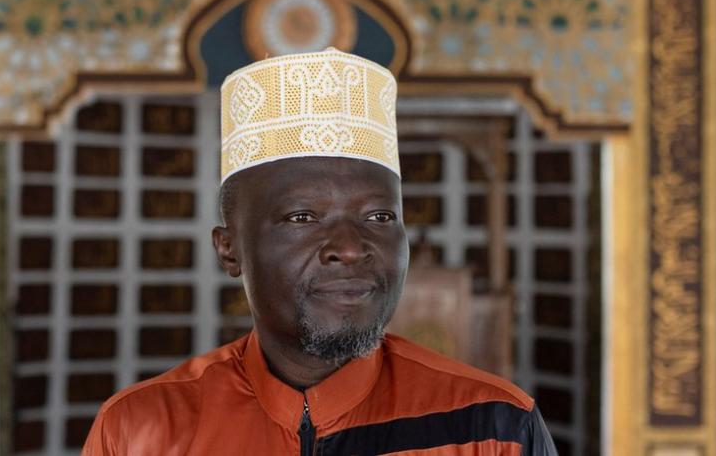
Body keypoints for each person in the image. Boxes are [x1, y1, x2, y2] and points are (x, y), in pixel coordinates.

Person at [82, 49, 557, 455]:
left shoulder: (492, 429)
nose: (351, 248)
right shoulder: (142, 431)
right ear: (230, 251)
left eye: (379, 218)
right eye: (303, 218)